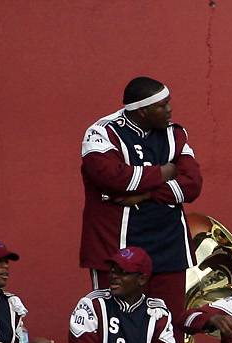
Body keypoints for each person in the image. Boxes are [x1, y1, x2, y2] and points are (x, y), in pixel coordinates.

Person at [79, 77, 202, 318]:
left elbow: (192, 185)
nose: (169, 109)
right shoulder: (102, 133)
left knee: (169, 322)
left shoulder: (175, 134)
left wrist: (146, 194)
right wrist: (165, 172)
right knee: (115, 321)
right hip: (116, 246)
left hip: (168, 246)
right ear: (143, 111)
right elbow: (113, 179)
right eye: (162, 105)